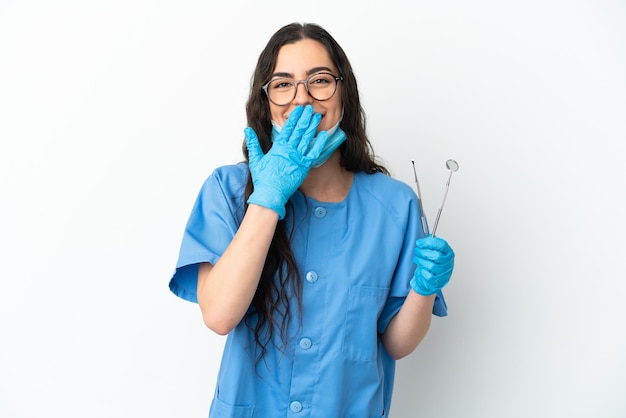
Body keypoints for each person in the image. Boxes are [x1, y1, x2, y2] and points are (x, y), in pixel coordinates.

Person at [169, 22, 455, 418]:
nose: (302, 100)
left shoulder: (394, 205)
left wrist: (424, 288)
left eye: (319, 80)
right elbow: (219, 316)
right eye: (283, 84)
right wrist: (267, 199)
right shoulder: (229, 190)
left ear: (344, 92)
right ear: (265, 100)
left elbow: (396, 344)